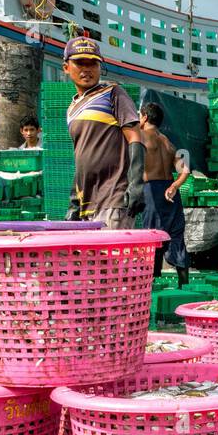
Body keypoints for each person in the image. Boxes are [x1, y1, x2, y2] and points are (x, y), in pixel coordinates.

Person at [62, 36, 144, 229]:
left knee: (113, 258)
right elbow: (81, 154)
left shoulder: (113, 93)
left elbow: (135, 138)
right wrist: (74, 200)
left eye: (92, 63)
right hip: (87, 202)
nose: (86, 69)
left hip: (113, 196)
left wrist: (136, 184)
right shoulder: (72, 108)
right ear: (66, 67)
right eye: (80, 63)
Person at [138, 101, 190, 287]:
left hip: (152, 192)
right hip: (171, 191)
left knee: (152, 238)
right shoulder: (168, 142)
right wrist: (175, 185)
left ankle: (151, 287)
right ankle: (185, 287)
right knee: (176, 238)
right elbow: (185, 170)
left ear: (144, 117)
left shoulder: (141, 136)